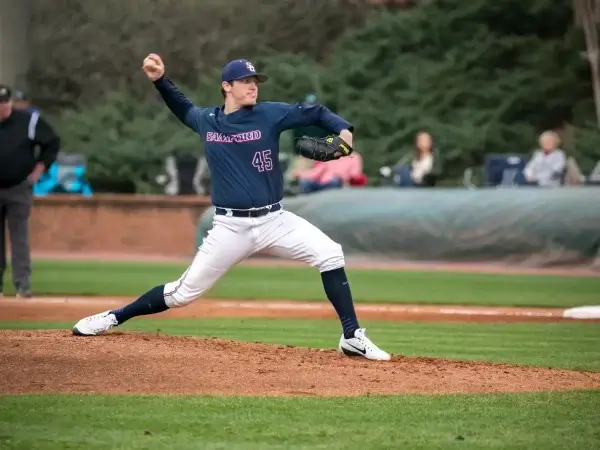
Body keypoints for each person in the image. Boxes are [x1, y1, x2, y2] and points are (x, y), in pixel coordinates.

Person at [71, 55, 391, 361]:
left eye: (256, 81)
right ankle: (114, 317)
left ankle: (351, 336)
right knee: (183, 294)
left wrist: (344, 130)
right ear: (227, 86)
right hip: (230, 228)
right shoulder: (208, 121)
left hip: (274, 220)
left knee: (331, 253)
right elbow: (183, 107)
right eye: (245, 80)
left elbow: (317, 112)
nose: (253, 86)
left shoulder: (270, 114)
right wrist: (159, 80)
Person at [0, 84, 60, 297]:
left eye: (5, 102)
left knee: (20, 238)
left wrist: (38, 171)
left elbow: (52, 143)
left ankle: (22, 286)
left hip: (18, 187)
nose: (2, 107)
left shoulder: (28, 121)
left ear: (10, 103)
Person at [296, 151, 364, 194]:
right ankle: (306, 204)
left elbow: (355, 174)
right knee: (304, 181)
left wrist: (343, 178)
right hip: (323, 182)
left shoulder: (354, 157)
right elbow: (317, 171)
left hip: (338, 182)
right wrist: (301, 175)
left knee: (335, 180)